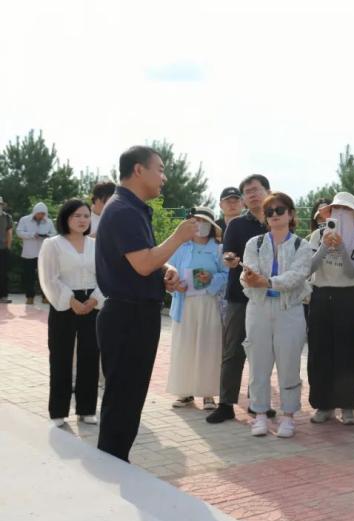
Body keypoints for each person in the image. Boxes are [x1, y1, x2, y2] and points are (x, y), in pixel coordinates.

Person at [95, 146, 198, 462]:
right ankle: (112, 464)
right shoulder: (124, 210)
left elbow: (142, 260)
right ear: (139, 170)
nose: (164, 178)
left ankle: (115, 461)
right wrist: (178, 237)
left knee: (127, 399)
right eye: (160, 169)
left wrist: (164, 269)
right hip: (128, 316)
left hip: (133, 313)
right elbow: (142, 264)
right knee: (123, 400)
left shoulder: (131, 208)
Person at [240, 192, 312, 438]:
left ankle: (288, 416)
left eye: (279, 210)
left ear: (290, 214)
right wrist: (250, 277)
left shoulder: (302, 245)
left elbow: (297, 276)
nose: (274, 215)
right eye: (269, 212)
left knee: (289, 363)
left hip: (289, 310)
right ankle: (260, 414)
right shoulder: (254, 243)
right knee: (258, 363)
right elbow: (248, 271)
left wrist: (267, 281)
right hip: (258, 308)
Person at [206, 174, 271, 424]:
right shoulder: (236, 225)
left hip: (269, 296)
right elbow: (228, 254)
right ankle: (226, 404)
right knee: (233, 351)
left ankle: (258, 402)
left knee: (263, 352)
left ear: (267, 191)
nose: (252, 194)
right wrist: (231, 260)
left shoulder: (277, 220)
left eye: (256, 189)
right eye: (248, 191)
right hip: (239, 296)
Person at [38, 199, 105, 427]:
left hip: (93, 302)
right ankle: (58, 411)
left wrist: (94, 299)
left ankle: (87, 409)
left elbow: (105, 276)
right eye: (77, 215)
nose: (82, 220)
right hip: (63, 303)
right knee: (61, 356)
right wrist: (71, 300)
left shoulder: (96, 245)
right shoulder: (53, 244)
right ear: (66, 218)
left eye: (86, 216)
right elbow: (49, 278)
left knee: (90, 356)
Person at [306, 192, 354, 425]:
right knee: (320, 351)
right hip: (321, 295)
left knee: (347, 352)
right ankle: (323, 404)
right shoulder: (316, 235)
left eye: (347, 210)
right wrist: (324, 246)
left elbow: (352, 272)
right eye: (337, 209)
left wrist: (341, 248)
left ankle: (348, 405)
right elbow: (309, 268)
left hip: (348, 296)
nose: (342, 214)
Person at [166, 206, 227, 411]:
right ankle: (185, 393)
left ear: (212, 226)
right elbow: (166, 271)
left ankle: (208, 394)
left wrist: (211, 278)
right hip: (184, 304)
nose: (200, 225)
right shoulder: (180, 247)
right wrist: (175, 284)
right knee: (185, 347)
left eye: (204, 222)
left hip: (209, 304)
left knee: (209, 348)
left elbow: (227, 275)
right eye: (196, 221)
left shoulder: (219, 249)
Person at [16, 202, 56, 304]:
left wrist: (47, 236)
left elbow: (54, 234)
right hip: (29, 253)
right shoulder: (24, 220)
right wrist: (32, 235)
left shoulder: (49, 222)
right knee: (29, 276)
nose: (41, 216)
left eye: (43, 214)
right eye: (39, 213)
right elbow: (19, 232)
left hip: (44, 253)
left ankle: (45, 297)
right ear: (34, 212)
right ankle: (30, 297)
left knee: (45, 276)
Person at [0, 196, 13, 304]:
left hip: (3, 248)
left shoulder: (7, 217)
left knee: (3, 273)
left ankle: (3, 295)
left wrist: (8, 246)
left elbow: (9, 232)